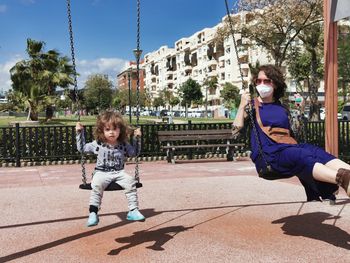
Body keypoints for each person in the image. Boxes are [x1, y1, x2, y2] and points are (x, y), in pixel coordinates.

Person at [233, 64, 350, 202]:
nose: (261, 84)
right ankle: (342, 178)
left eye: (266, 81)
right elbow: (236, 132)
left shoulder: (282, 108)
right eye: (258, 81)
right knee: (300, 154)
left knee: (313, 151)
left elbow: (291, 134)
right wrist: (241, 106)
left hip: (287, 150)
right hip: (269, 156)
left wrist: (300, 111)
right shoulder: (251, 106)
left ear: (275, 84)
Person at [76, 110, 145, 227]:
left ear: (120, 130)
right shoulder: (98, 144)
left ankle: (133, 210)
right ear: (102, 131)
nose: (111, 132)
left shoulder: (123, 144)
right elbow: (82, 148)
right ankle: (93, 213)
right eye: (107, 130)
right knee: (96, 184)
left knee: (130, 182)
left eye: (115, 129)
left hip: (119, 172)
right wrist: (79, 133)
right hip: (101, 172)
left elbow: (134, 153)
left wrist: (136, 139)